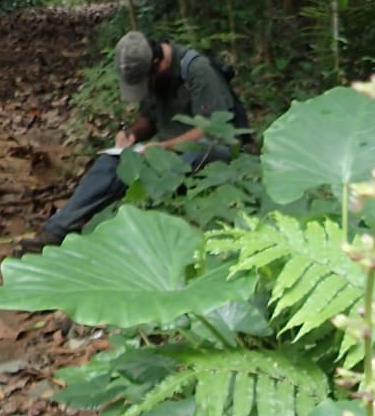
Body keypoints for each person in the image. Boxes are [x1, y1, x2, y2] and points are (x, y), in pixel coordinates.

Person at [13, 30, 241, 253]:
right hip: (162, 149)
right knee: (109, 163)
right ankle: (56, 231)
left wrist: (164, 147)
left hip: (207, 147)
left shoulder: (196, 70)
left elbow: (213, 130)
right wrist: (131, 135)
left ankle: (155, 236)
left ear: (157, 64)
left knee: (193, 155)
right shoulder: (154, 77)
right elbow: (148, 119)